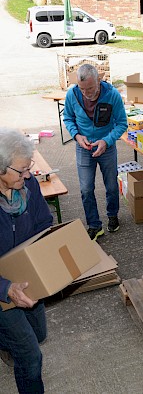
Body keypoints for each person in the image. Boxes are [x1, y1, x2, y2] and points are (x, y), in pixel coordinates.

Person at [0, 128, 53, 393]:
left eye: (28, 167)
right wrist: (6, 288)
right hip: (1, 289)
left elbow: (44, 221)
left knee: (40, 334)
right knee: (31, 356)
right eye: (21, 171)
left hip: (27, 272)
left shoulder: (28, 185)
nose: (29, 175)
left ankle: (5, 343)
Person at [64, 64, 128, 241]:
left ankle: (113, 215)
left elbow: (122, 123)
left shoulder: (112, 94)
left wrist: (106, 141)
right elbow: (68, 118)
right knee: (85, 189)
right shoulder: (72, 94)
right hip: (84, 148)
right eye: (82, 89)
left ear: (99, 80)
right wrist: (77, 136)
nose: (86, 93)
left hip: (106, 147)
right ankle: (94, 225)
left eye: (90, 88)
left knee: (112, 186)